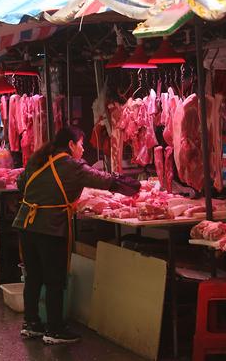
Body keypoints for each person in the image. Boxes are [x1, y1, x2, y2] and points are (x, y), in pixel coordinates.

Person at [13, 126, 140, 345]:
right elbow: (103, 179)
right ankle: (54, 329)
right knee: (54, 278)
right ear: (71, 145)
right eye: (81, 144)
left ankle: (31, 324)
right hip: (49, 227)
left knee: (33, 276)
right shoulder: (71, 165)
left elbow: (20, 184)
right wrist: (135, 186)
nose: (82, 149)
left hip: (26, 224)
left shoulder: (38, 159)